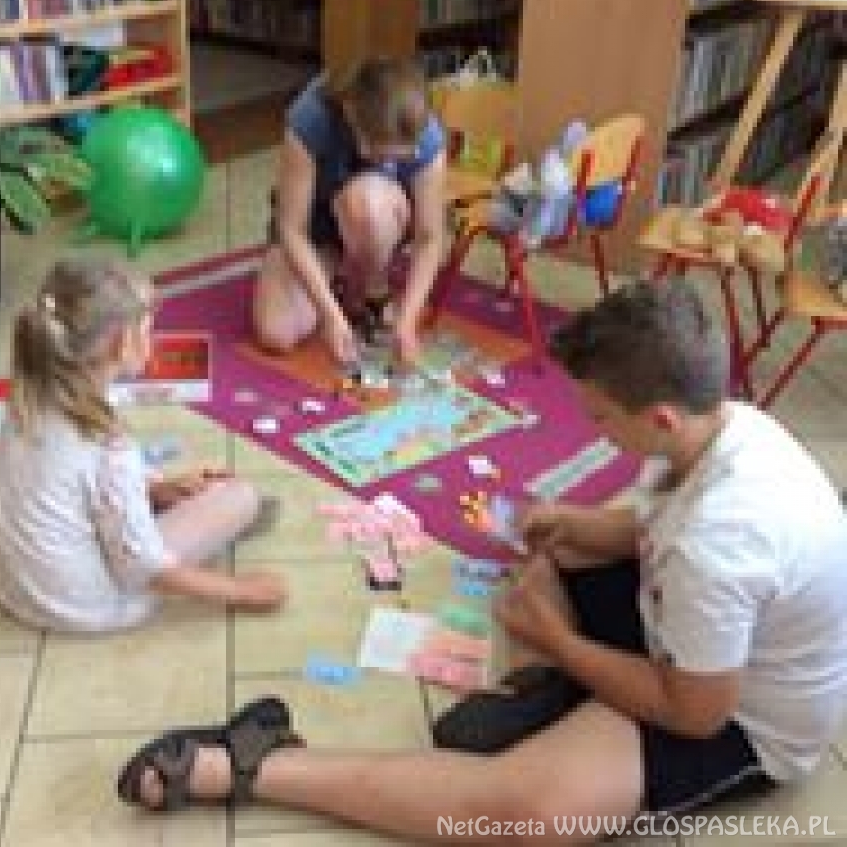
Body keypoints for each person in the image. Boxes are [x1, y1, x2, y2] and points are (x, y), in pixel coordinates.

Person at [116, 279, 847, 842]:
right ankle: (562, 692)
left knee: (519, 815)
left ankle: (253, 764)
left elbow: (694, 713)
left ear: (659, 417)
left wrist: (560, 640)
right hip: (686, 632)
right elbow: (651, 526)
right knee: (553, 548)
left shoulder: (721, 545)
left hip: (734, 718)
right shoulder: (722, 423)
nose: (593, 429)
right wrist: (574, 523)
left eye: (599, 417)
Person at [0, 257, 287, 634]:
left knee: (148, 490)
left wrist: (157, 490)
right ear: (124, 343)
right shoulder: (111, 447)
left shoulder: (24, 400)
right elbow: (143, 568)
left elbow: (72, 479)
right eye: (148, 328)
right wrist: (242, 592)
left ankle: (152, 498)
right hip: (89, 607)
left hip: (12, 588)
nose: (153, 338)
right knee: (239, 497)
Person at [251, 55, 447, 368]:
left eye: (398, 157)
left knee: (367, 202)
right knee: (277, 333)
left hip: (380, 217)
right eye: (379, 154)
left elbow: (430, 237)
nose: (387, 162)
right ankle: (335, 274)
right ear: (350, 114)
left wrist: (408, 321)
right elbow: (292, 228)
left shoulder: (425, 133)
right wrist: (329, 314)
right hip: (316, 226)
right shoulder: (310, 117)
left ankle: (369, 289)